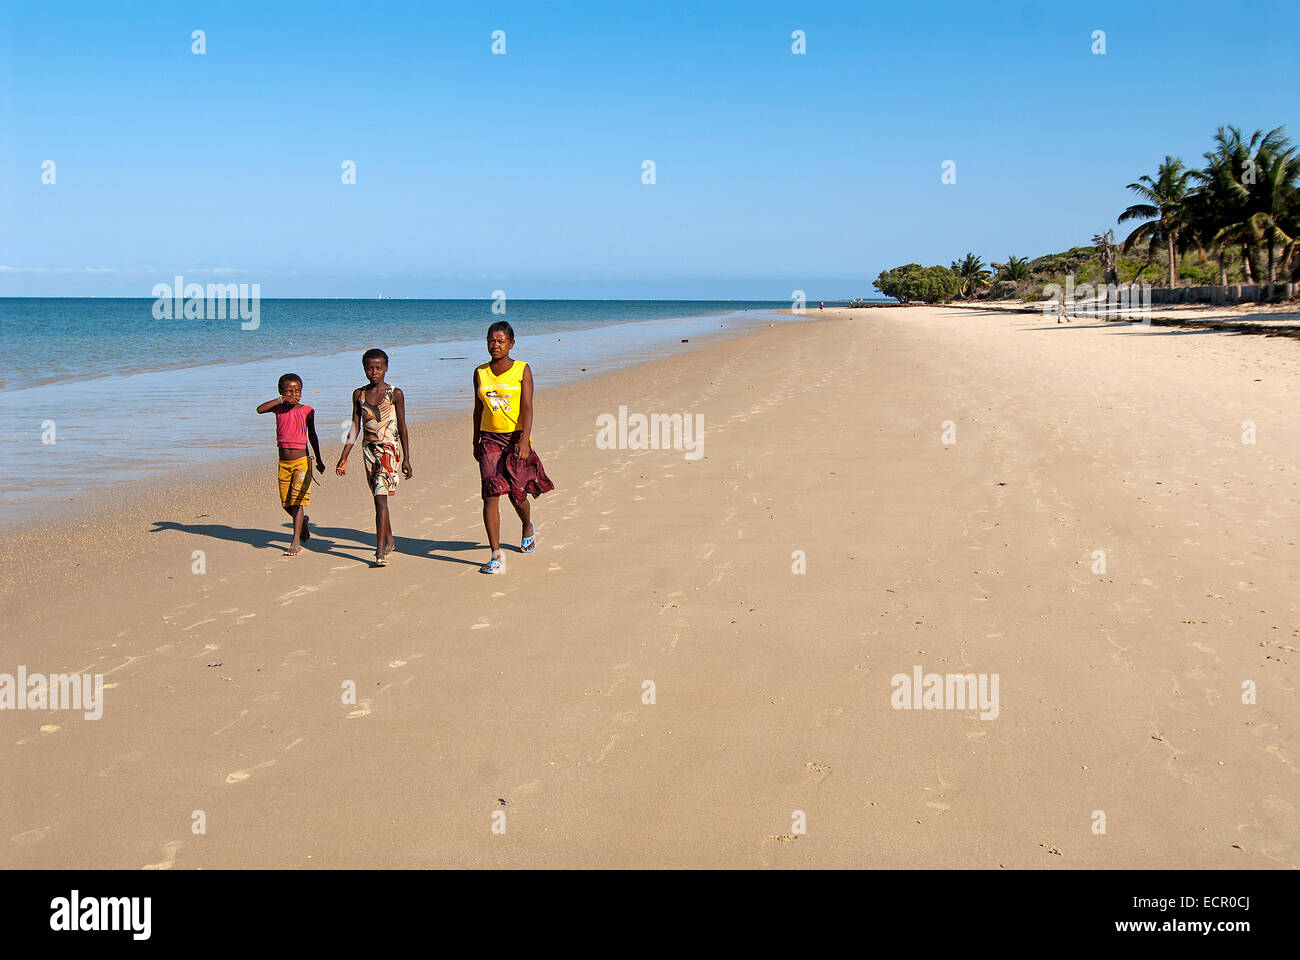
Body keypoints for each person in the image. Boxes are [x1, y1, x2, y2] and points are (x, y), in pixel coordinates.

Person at [473, 321, 554, 574]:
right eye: (491, 340)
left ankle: (527, 525)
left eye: (500, 341)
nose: (495, 345)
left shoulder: (522, 370)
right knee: (490, 494)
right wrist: (475, 439)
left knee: (517, 494)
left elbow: (528, 407)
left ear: (511, 344)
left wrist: (525, 440)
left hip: (516, 438)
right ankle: (496, 555)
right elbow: (478, 409)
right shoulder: (480, 372)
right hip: (489, 439)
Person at [336, 348, 411, 566]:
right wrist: (344, 456)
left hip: (389, 449)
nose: (374, 372)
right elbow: (354, 427)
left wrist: (406, 458)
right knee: (379, 498)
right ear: (364, 369)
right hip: (368, 451)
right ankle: (389, 540)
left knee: (380, 496)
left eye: (378, 368)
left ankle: (379, 551)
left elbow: (403, 427)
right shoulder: (358, 394)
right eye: (369, 368)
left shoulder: (395, 394)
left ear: (386, 368)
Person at [255, 373, 324, 556]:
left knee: (297, 502)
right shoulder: (278, 409)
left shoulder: (307, 410)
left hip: (302, 462)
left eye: (297, 390)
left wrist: (319, 460)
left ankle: (295, 541)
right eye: (289, 391)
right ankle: (303, 522)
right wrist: (280, 400)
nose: (294, 394)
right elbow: (260, 409)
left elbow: (313, 436)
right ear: (281, 392)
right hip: (283, 463)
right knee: (286, 504)